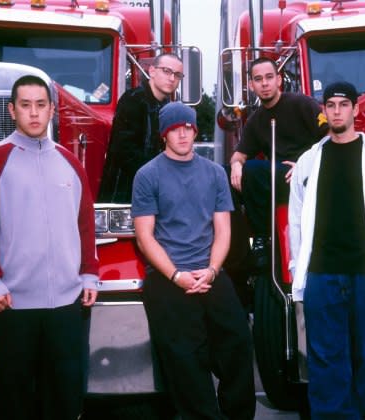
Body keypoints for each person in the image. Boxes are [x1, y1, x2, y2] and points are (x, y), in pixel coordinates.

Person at [0, 75, 99, 420]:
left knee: (65, 394)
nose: (34, 113)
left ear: (52, 110)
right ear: (12, 110)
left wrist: (89, 274)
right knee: (17, 397)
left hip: (67, 303)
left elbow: (85, 223)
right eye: (25, 105)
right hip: (13, 302)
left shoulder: (70, 162)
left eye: (41, 105)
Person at [289, 82, 365, 419]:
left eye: (343, 104)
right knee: (325, 361)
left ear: (355, 109)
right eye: (331, 105)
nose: (337, 110)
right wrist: (300, 271)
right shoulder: (309, 160)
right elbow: (296, 223)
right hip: (321, 276)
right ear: (324, 112)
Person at [132, 102, 256, 419]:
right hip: (168, 277)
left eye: (187, 127)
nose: (183, 133)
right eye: (175, 128)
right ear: (164, 134)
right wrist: (177, 276)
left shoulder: (215, 173)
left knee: (238, 342)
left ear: (195, 130)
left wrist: (212, 271)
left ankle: (238, 413)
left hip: (209, 271)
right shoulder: (147, 176)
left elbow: (223, 230)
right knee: (186, 359)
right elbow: (146, 238)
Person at [229, 57, 327, 267]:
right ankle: (237, 250)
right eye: (258, 79)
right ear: (251, 85)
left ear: (279, 80)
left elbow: (330, 139)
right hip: (278, 179)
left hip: (307, 178)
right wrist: (236, 164)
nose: (264, 83)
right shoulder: (256, 120)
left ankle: (262, 238)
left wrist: (306, 165)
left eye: (269, 77)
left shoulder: (302, 104)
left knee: (253, 170)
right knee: (222, 174)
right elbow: (240, 154)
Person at [98, 52, 184, 202]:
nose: (172, 78)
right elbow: (125, 152)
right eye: (166, 71)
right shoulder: (133, 100)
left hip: (152, 191)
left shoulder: (167, 107)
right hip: (126, 194)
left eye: (177, 75)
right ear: (152, 71)